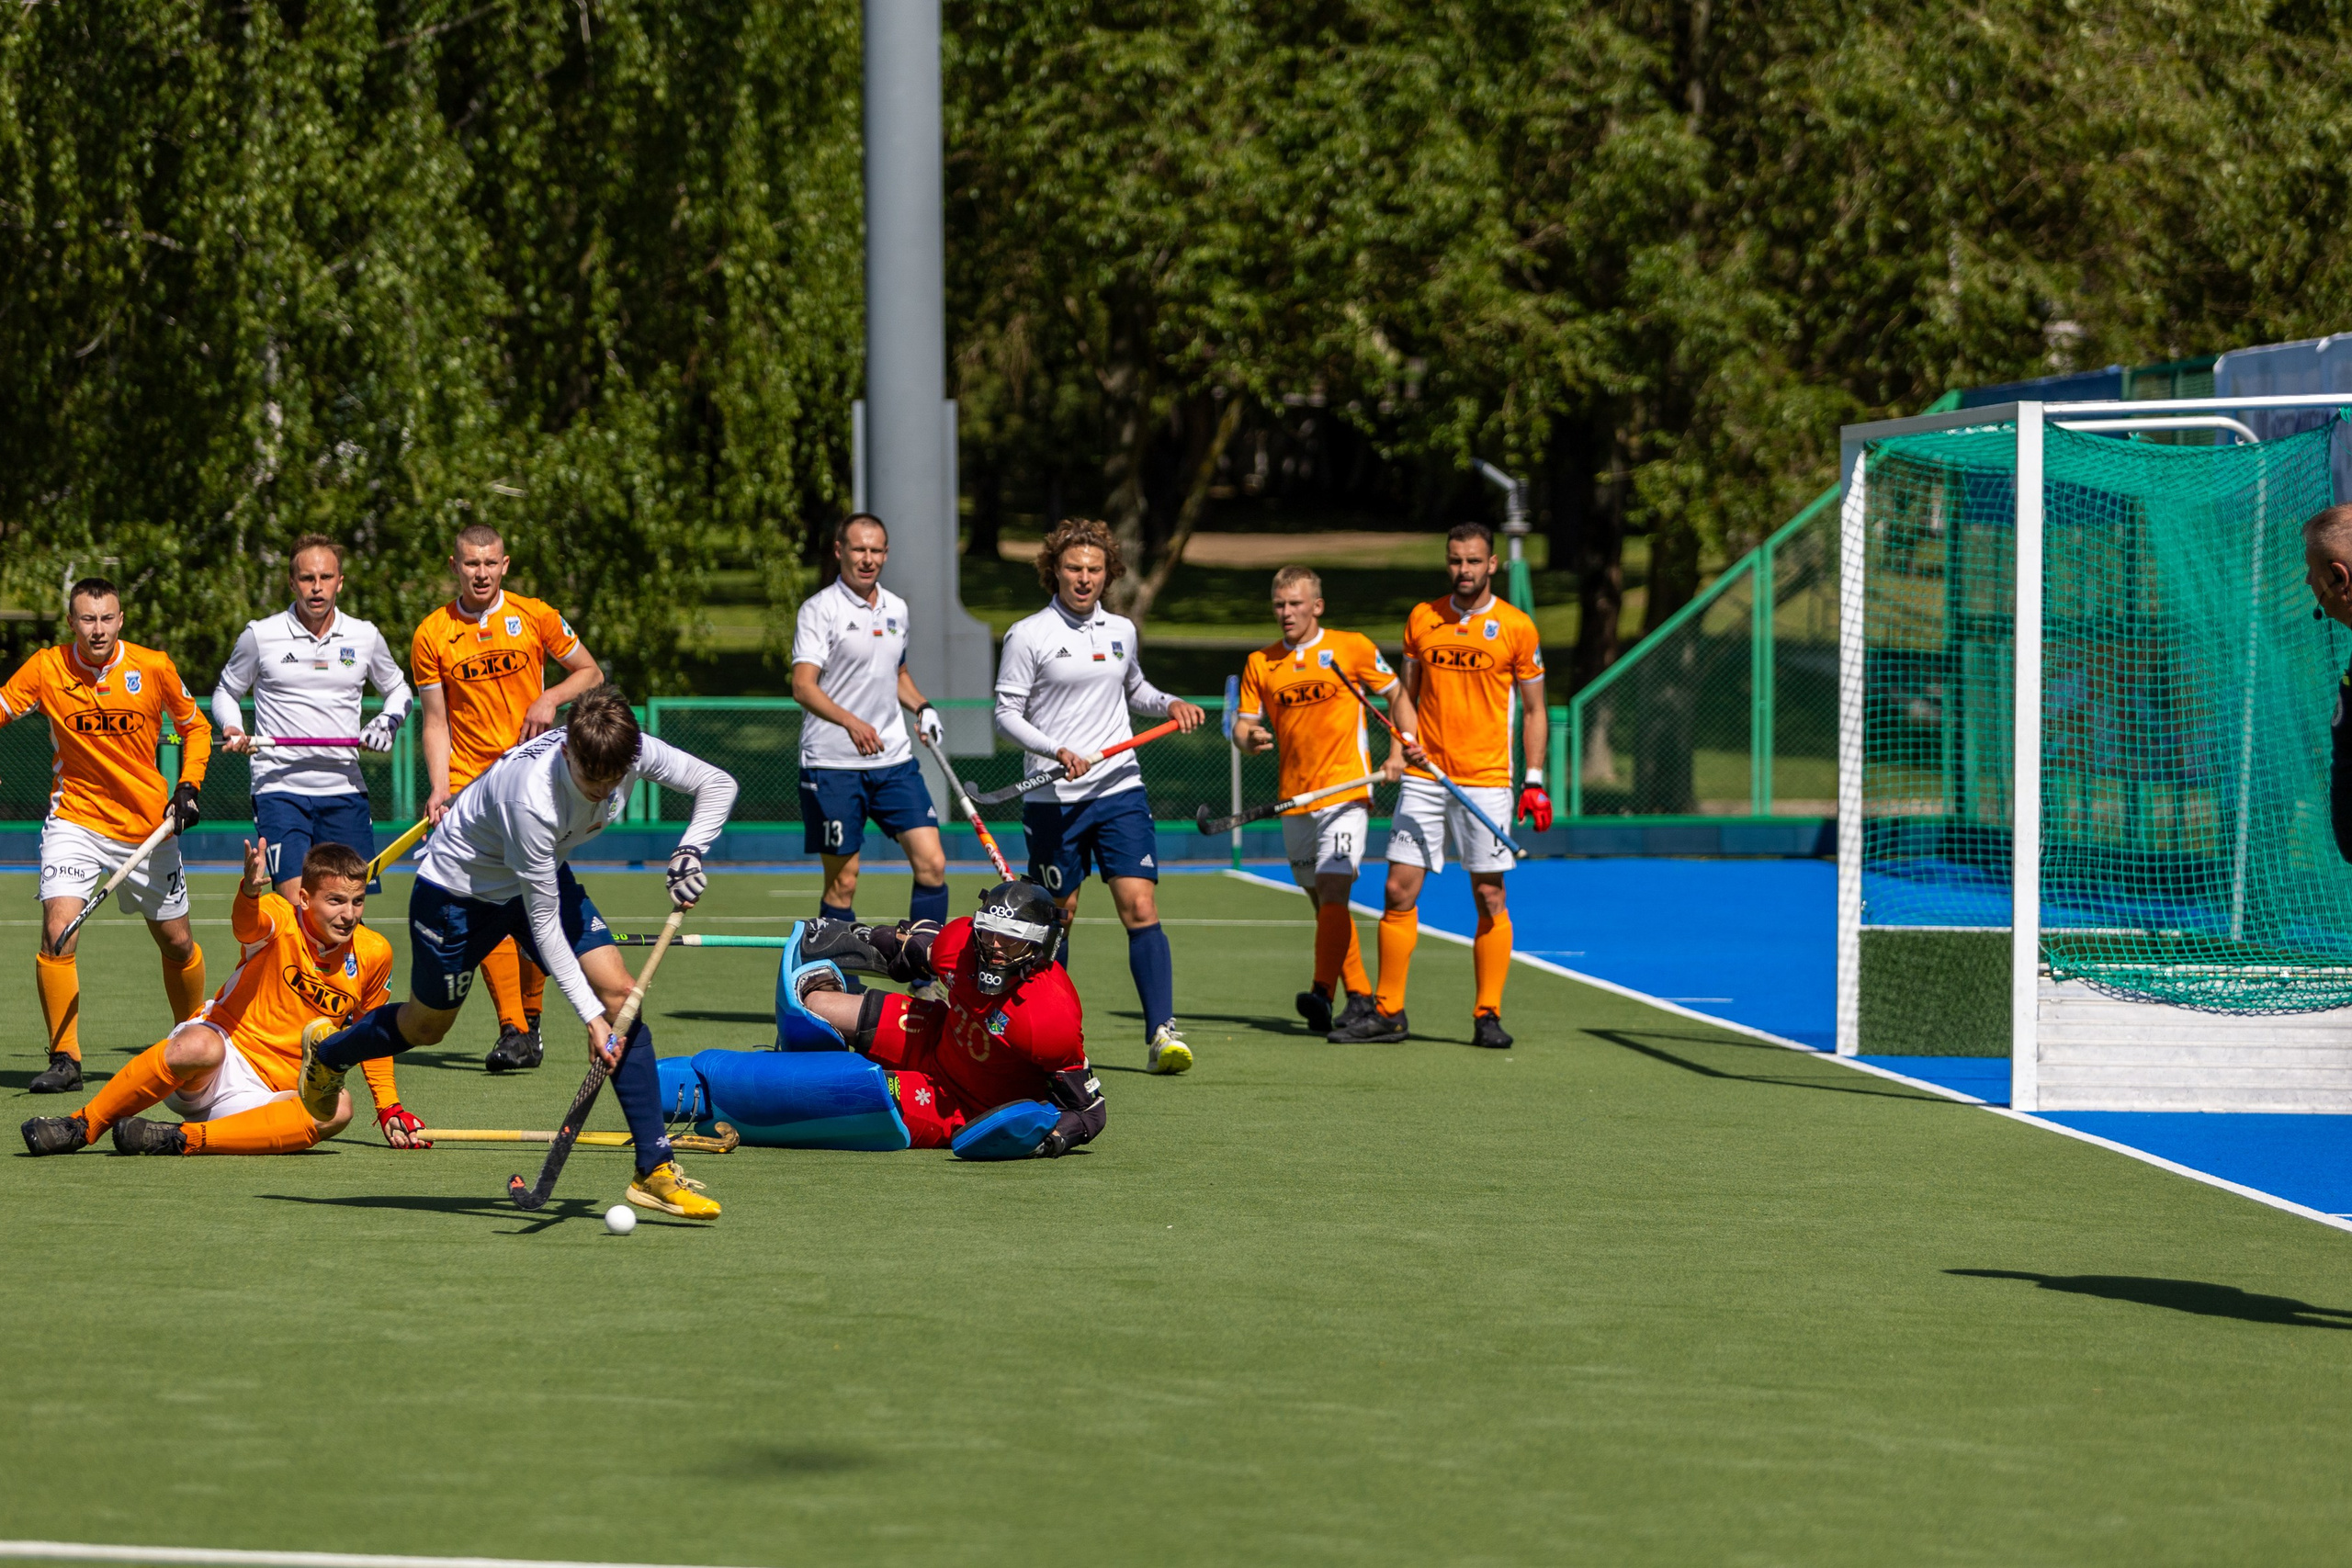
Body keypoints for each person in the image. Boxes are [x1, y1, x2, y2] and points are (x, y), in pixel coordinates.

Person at [294, 684, 738, 1219]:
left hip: (537, 875)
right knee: (427, 1027)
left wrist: (690, 851)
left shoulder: (626, 747)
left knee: (623, 996)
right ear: (567, 751)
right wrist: (590, 1019)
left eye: (614, 779)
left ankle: (654, 1168)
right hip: (457, 892)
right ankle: (331, 1054)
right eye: (591, 780)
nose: (602, 793)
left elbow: (718, 782)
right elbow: (544, 923)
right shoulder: (531, 798)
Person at [19, 840, 426, 1156]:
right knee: (199, 1044)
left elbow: (371, 1034)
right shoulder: (281, 916)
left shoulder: (374, 953)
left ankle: (180, 1139)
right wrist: (248, 892)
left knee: (338, 1108)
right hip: (217, 1064)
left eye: (357, 901)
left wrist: (388, 1108)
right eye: (335, 901)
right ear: (305, 899)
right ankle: (82, 1125)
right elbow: (247, 927)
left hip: (280, 1093)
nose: (349, 914)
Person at [993, 518, 1205, 1074]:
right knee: (1058, 917)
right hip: (1054, 799)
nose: (1084, 578)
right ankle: (1051, 1036)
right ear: (1054, 571)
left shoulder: (1122, 630)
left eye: (1094, 569)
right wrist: (1057, 749)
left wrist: (1169, 703)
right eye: (1073, 568)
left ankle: (1162, 1034)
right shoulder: (1028, 634)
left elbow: (1135, 688)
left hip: (1119, 789)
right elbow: (1005, 714)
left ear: (1109, 573)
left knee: (1140, 905)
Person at [1328, 523, 1548, 1049]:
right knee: (1397, 890)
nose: (1463, 570)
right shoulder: (1423, 618)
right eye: (1455, 561)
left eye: (1473, 561)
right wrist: (1406, 742)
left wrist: (1534, 781)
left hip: (1486, 779)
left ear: (1492, 564)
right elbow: (1407, 694)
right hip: (1425, 778)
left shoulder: (1517, 627)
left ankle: (1487, 1014)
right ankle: (1389, 1011)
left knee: (1489, 894)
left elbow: (1536, 709)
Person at [1, 577, 212, 1094]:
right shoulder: (47, 668)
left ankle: (195, 1041)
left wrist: (188, 785)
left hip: (147, 826)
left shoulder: (153, 666)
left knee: (178, 942)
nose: (98, 629)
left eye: (106, 618)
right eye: (87, 619)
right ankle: (65, 1059)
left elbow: (196, 728)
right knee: (59, 931)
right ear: (71, 622)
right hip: (75, 819)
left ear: (121, 620)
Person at [410, 523, 604, 1072]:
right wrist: (440, 787)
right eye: (471, 564)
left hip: (536, 784)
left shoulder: (535, 616)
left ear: (505, 564)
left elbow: (590, 672)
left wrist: (550, 698)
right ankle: (513, 1027)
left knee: (532, 894)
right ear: (455, 566)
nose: (481, 573)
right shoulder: (432, 633)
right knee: (486, 899)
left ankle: (531, 1023)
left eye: (490, 563)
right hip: (471, 789)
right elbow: (435, 720)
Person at [1234, 566, 1422, 1036]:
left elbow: (1397, 694)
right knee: (1322, 902)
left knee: (1334, 885)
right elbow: (1242, 725)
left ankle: (1321, 991)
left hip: (1346, 791)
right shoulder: (1261, 662)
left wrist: (1399, 750)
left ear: (1316, 606)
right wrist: (1249, 738)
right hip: (1295, 797)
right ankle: (1359, 996)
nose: (1286, 613)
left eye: (1295, 604)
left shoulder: (1351, 647)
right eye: (1279, 605)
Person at [781, 881, 1104, 1154]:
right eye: (988, 932)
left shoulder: (1050, 1017)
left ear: (1039, 945)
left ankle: (793, 1085)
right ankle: (797, 1067)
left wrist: (1046, 1139)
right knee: (817, 1003)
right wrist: (885, 939)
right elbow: (915, 950)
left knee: (847, 1094)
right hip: (935, 1037)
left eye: (1010, 938)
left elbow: (1088, 1112)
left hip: (964, 1108)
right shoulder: (961, 945)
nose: (994, 946)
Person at [213, 535, 413, 896]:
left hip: (345, 790)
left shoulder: (364, 636)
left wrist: (388, 722)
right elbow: (226, 691)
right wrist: (232, 727)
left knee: (346, 907)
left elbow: (400, 690)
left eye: (326, 577)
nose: (317, 587)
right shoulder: (261, 635)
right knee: (297, 901)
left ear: (340, 581)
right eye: (307, 578)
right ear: (292, 583)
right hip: (279, 788)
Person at [789, 513, 949, 935]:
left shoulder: (897, 608)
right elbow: (803, 686)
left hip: (893, 762)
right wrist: (851, 723)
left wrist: (923, 706)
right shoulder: (819, 610)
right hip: (833, 764)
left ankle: (922, 965)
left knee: (932, 864)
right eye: (859, 549)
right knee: (843, 883)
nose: (867, 558)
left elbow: (897, 674)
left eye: (876, 550)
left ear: (886, 553)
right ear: (839, 550)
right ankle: (836, 970)